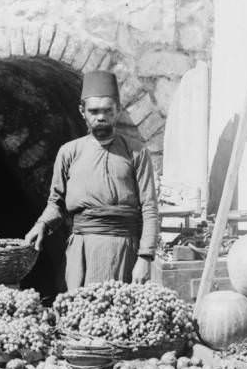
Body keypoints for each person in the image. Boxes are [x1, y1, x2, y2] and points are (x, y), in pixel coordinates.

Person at [25, 71, 159, 289]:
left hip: (125, 252)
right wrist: (41, 224)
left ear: (118, 110)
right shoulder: (69, 152)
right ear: (82, 112)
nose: (101, 117)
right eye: (94, 111)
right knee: (80, 315)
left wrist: (145, 257)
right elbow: (56, 204)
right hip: (81, 251)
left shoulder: (136, 152)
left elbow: (150, 208)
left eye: (107, 110)